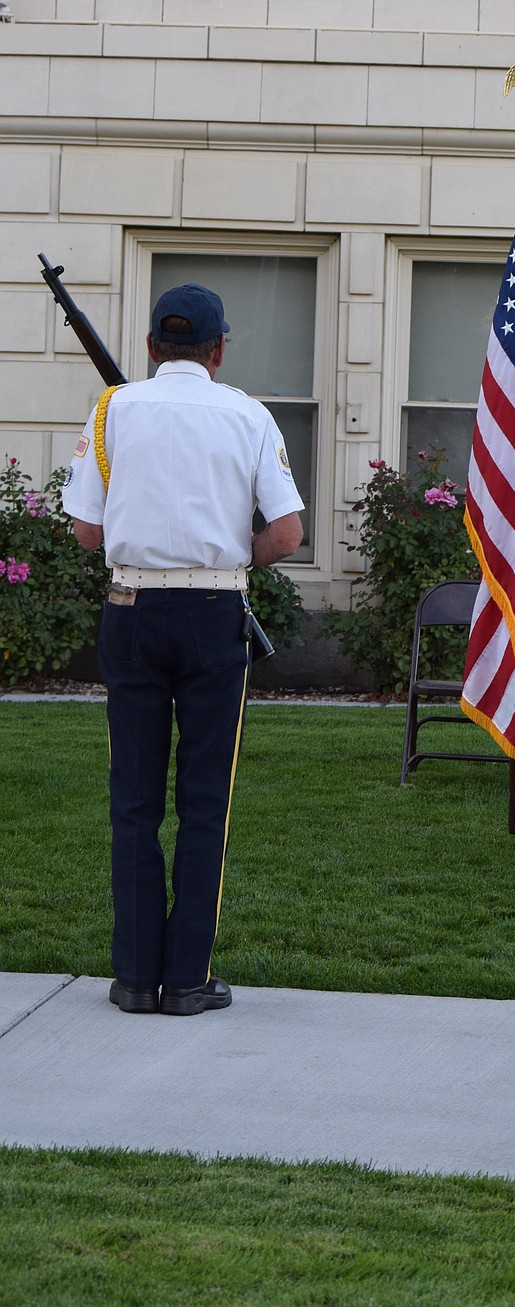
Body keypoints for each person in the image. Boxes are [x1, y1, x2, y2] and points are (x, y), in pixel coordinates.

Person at [62, 284, 304, 1016]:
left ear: (148, 347)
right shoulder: (249, 414)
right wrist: (233, 554)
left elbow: (86, 532)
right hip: (212, 612)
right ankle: (189, 978)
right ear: (219, 348)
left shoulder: (112, 410)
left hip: (131, 609)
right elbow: (288, 534)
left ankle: (136, 976)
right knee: (206, 802)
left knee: (133, 800)